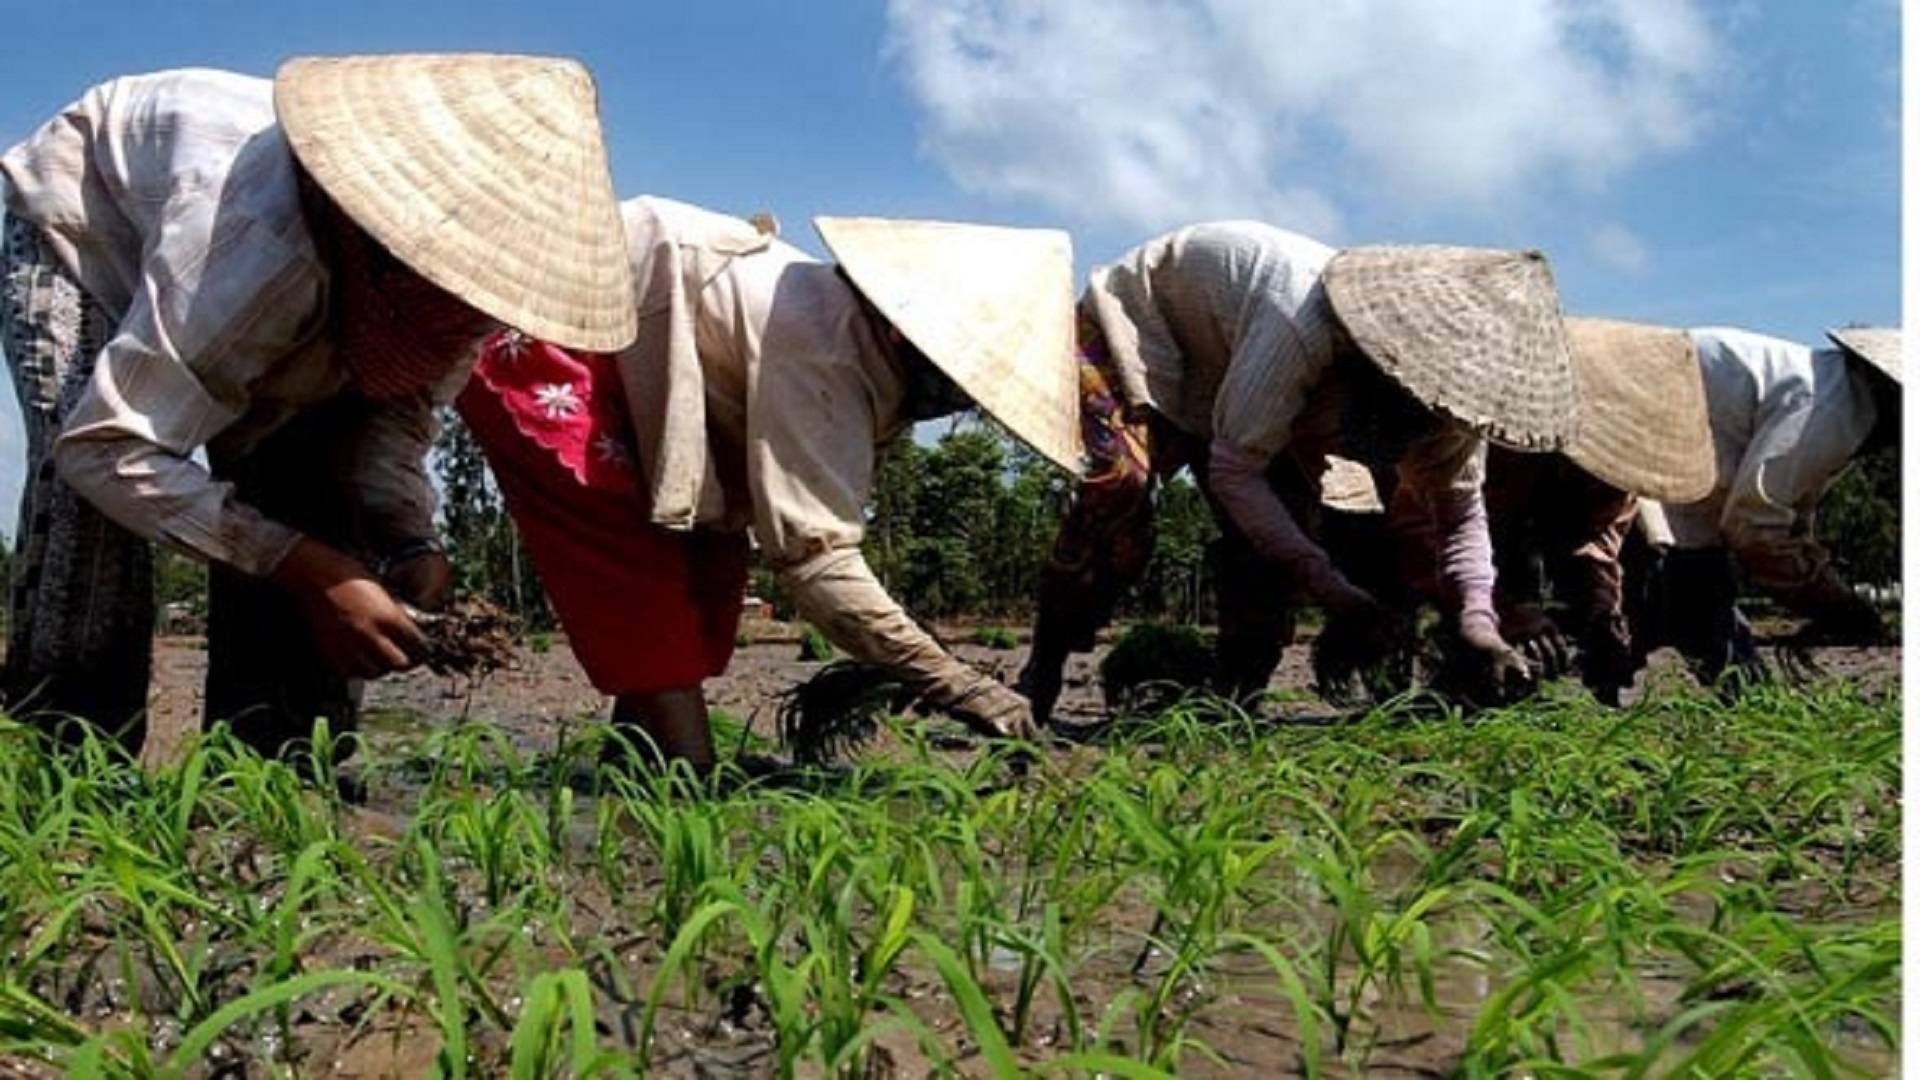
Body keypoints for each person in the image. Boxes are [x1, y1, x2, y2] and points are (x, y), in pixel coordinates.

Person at [0, 55, 634, 756]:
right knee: (91, 526)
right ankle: (69, 771)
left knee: (315, 486)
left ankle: (277, 773)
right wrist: (311, 568)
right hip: (91, 225)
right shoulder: (256, 246)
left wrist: (408, 539)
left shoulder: (453, 305)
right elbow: (108, 449)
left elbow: (392, 423)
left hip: (273, 283)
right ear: (395, 244)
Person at [451, 198, 1083, 770]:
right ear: (904, 330)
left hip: (639, 362)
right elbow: (815, 561)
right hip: (561, 331)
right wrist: (958, 684)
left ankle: (636, 764)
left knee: (706, 577)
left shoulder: (849, 348)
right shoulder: (826, 353)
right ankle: (691, 790)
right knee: (646, 577)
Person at [1016, 222, 1581, 721]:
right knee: (1120, 487)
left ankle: (1235, 701)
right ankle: (1042, 670)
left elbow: (1459, 517)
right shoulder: (1302, 320)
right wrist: (1336, 594)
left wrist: (1479, 626)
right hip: (1144, 328)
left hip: (1239, 387)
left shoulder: (1455, 408)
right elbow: (1235, 470)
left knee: (1275, 536)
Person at [1379, 317, 1717, 704]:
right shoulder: (1481, 435)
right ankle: (1438, 679)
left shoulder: (1620, 465)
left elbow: (1598, 541)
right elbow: (1425, 535)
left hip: (1517, 512)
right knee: (1425, 594)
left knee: (1643, 563)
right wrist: (1507, 611)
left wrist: (1602, 612)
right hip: (1434, 502)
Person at [1652, 326, 1900, 682]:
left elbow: (1786, 519)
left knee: (1696, 597)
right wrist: (1832, 602)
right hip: (1651, 435)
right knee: (1687, 598)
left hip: (1681, 469)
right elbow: (1755, 524)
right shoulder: (1832, 408)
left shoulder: (1834, 395)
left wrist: (1828, 593)